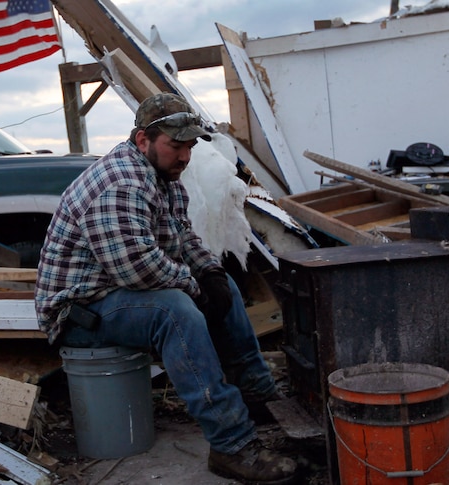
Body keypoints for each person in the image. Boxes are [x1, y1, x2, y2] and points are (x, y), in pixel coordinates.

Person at [35, 92, 298, 484]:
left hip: (114, 294)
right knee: (175, 310)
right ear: (143, 140)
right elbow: (137, 270)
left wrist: (209, 274)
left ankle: (257, 395)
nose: (185, 156)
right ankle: (232, 444)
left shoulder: (164, 177)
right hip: (79, 312)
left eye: (189, 146)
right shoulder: (119, 184)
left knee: (221, 284)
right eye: (176, 146)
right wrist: (193, 288)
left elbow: (184, 239)